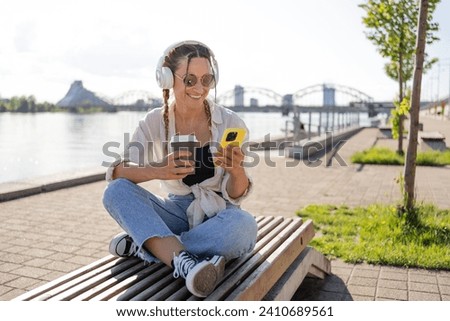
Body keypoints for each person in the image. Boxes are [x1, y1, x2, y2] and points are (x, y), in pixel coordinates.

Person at [102, 40, 258, 298]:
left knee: (243, 226)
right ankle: (184, 257)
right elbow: (116, 171)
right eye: (189, 80)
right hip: (175, 210)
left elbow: (236, 194)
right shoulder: (154, 121)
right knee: (115, 192)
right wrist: (158, 170)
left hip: (220, 214)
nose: (199, 88)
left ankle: (153, 246)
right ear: (167, 79)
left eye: (206, 80)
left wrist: (237, 171)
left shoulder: (230, 121)